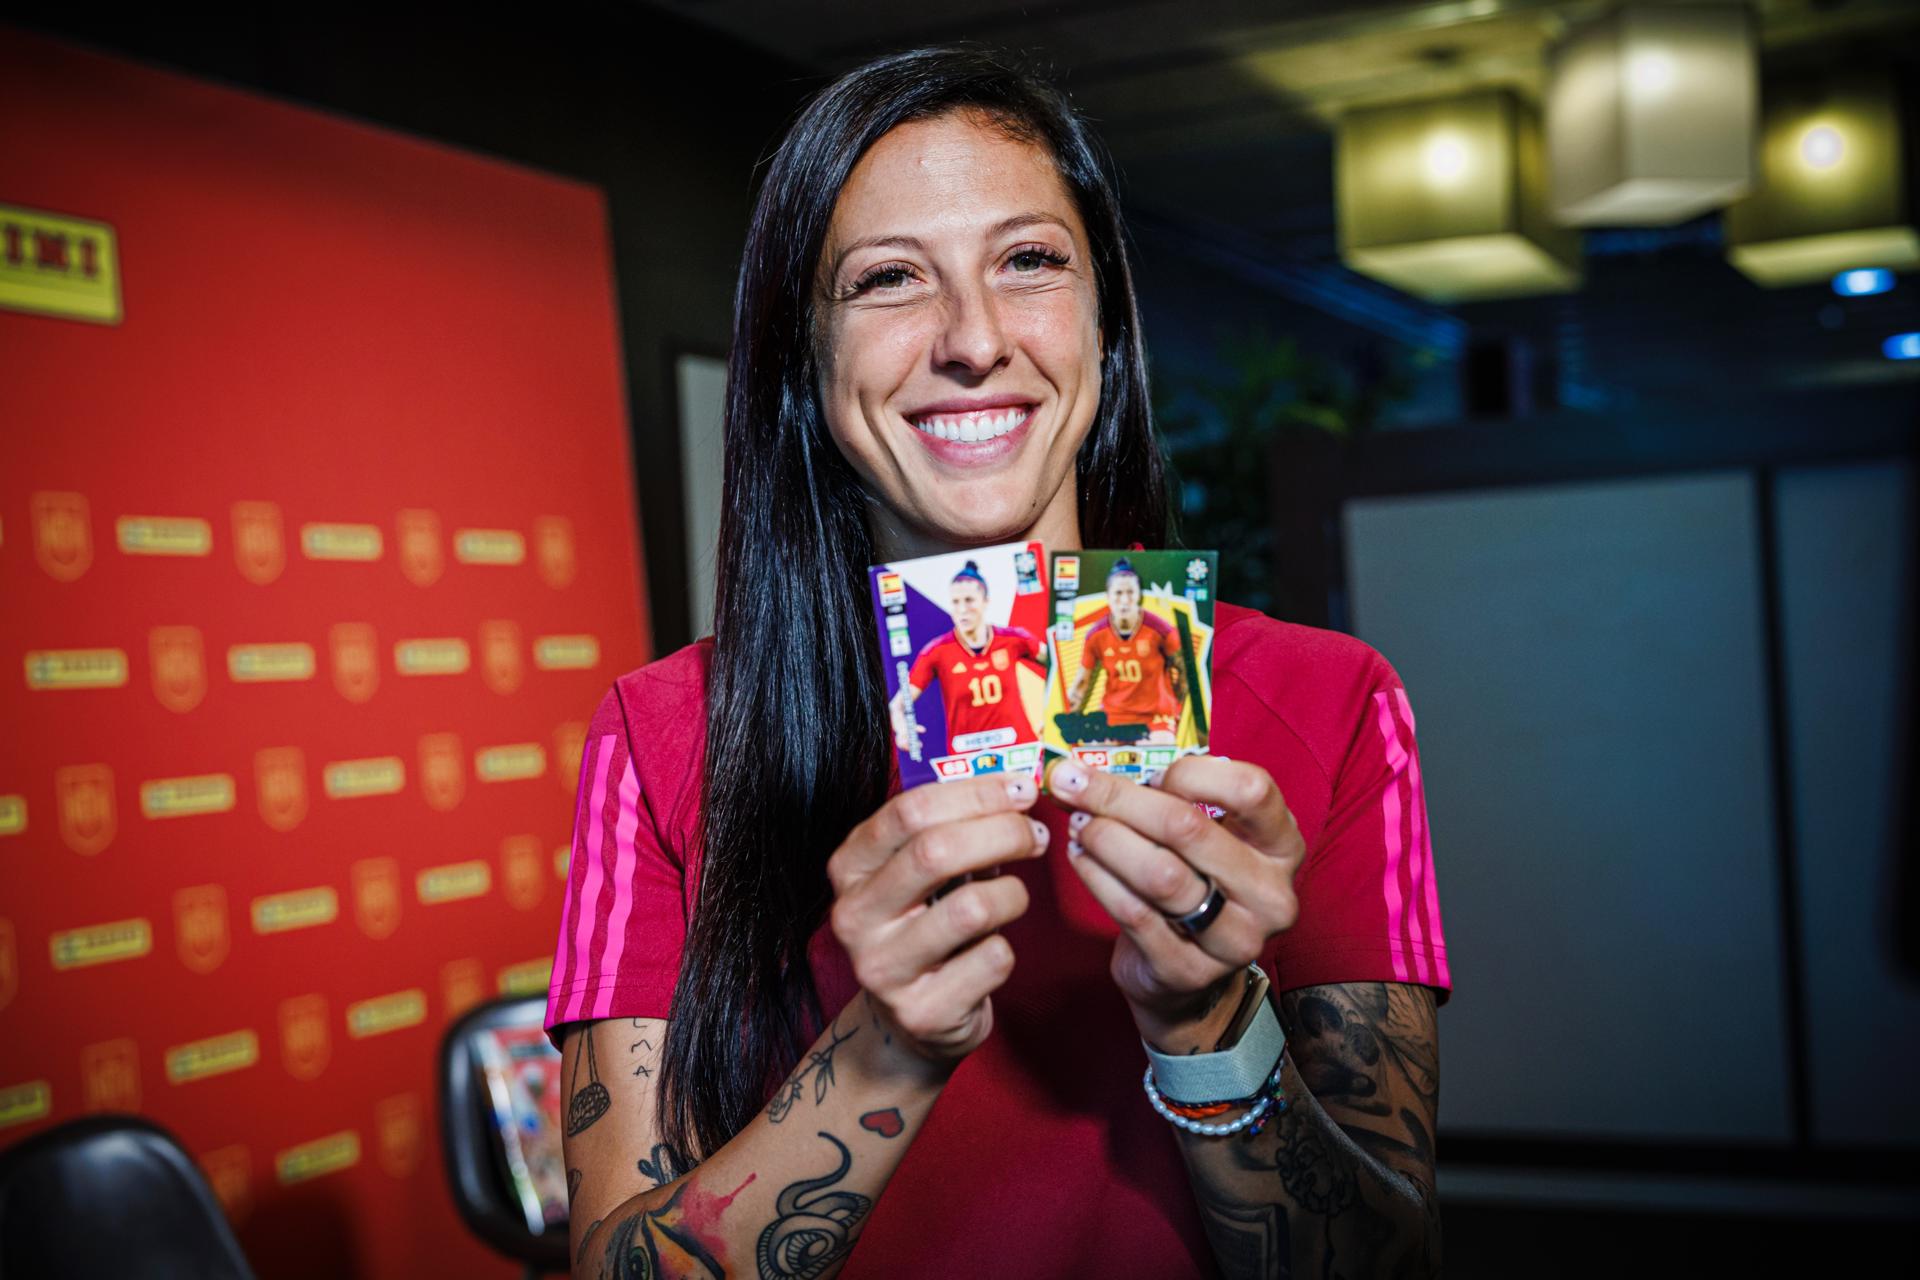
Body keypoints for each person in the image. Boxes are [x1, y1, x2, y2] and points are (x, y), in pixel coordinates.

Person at [546, 46, 1449, 1280]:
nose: (973, 339)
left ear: (1103, 319)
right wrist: (888, 1045)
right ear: (801, 362)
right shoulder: (665, 733)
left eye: (1029, 261)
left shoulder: (1330, 700)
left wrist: (1208, 1024)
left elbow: (1388, 1262)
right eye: (888, 280)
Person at [890, 559, 1046, 758]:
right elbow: (897, 705)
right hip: (968, 761)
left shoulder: (1014, 639)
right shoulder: (937, 651)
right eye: (956, 602)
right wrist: (904, 732)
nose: (962, 609)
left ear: (985, 601)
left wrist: (1054, 714)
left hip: (1021, 752)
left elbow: (1058, 663)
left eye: (969, 600)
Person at [1064, 557, 1187, 743]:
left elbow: (1184, 671)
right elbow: (1081, 684)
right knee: (1094, 754)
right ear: (1109, 596)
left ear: (1139, 595)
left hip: (1155, 717)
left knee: (1157, 754)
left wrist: (1175, 709)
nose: (1124, 600)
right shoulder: (1096, 635)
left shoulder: (1161, 630)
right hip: (1114, 715)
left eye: (1130, 592)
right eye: (1118, 593)